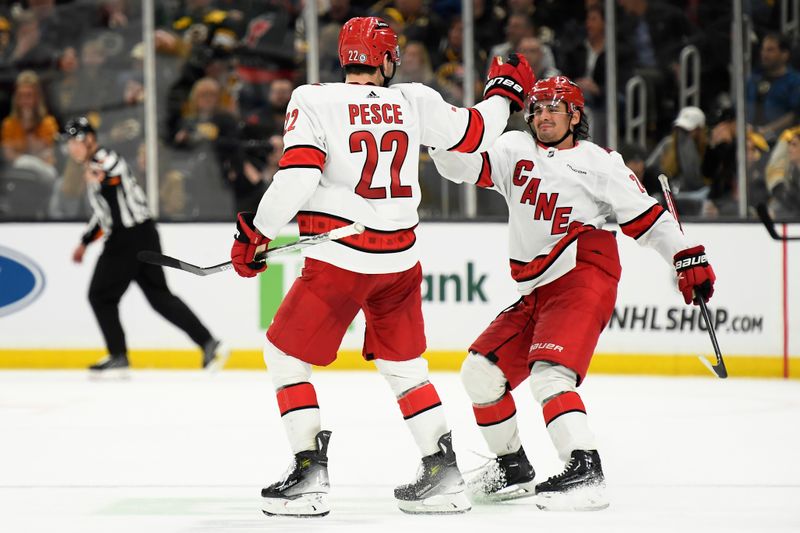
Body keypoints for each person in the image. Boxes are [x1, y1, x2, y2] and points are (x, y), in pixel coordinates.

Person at [228, 17, 534, 517]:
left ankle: (308, 474)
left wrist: (257, 233)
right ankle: (443, 473)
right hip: (400, 261)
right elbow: (475, 132)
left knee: (284, 357)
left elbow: (298, 175)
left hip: (341, 258)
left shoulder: (313, 99)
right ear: (387, 60)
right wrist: (503, 93)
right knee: (406, 369)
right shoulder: (413, 99)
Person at [429, 76, 716, 510]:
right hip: (536, 288)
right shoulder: (511, 148)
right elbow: (457, 166)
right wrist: (437, 133)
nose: (543, 116)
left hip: (584, 272)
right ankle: (513, 469)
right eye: (537, 108)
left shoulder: (600, 162)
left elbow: (649, 219)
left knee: (550, 374)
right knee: (480, 374)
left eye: (554, 108)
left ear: (575, 116)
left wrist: (686, 256)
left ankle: (585, 471)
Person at [65, 117, 228, 376]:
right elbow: (103, 213)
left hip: (127, 238)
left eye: (76, 141)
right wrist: (85, 242)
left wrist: (100, 176)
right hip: (142, 234)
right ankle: (208, 342)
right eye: (70, 142)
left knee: (100, 296)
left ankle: (118, 354)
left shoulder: (104, 159)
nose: (71, 147)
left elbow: (114, 171)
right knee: (159, 297)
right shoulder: (93, 167)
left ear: (90, 140)